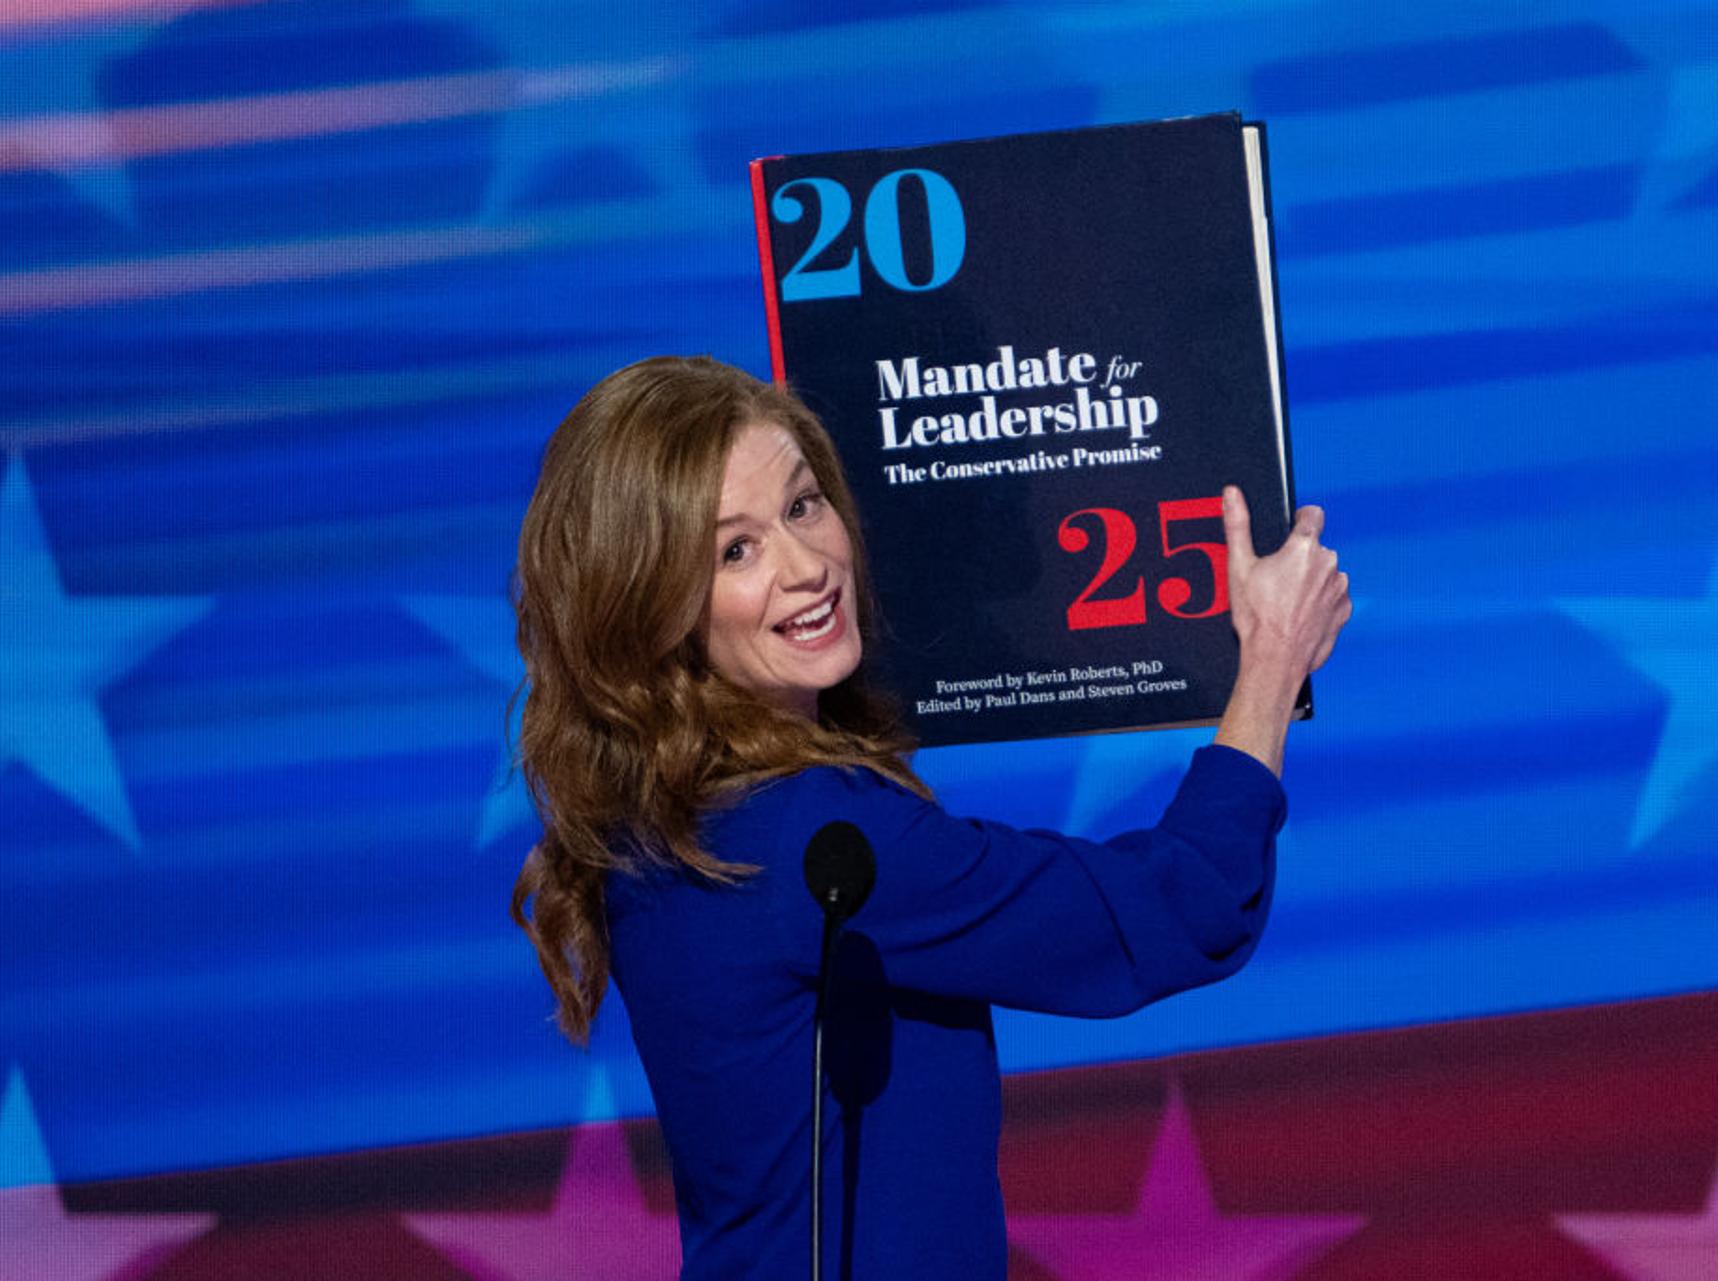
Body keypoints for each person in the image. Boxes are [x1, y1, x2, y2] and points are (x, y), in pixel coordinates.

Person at [511, 355, 1350, 1281]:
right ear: (652, 603)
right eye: (734, 551)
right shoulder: (813, 839)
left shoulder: (657, 818)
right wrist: (1272, 659)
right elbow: (1187, 908)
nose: (805, 566)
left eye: (802, 505)